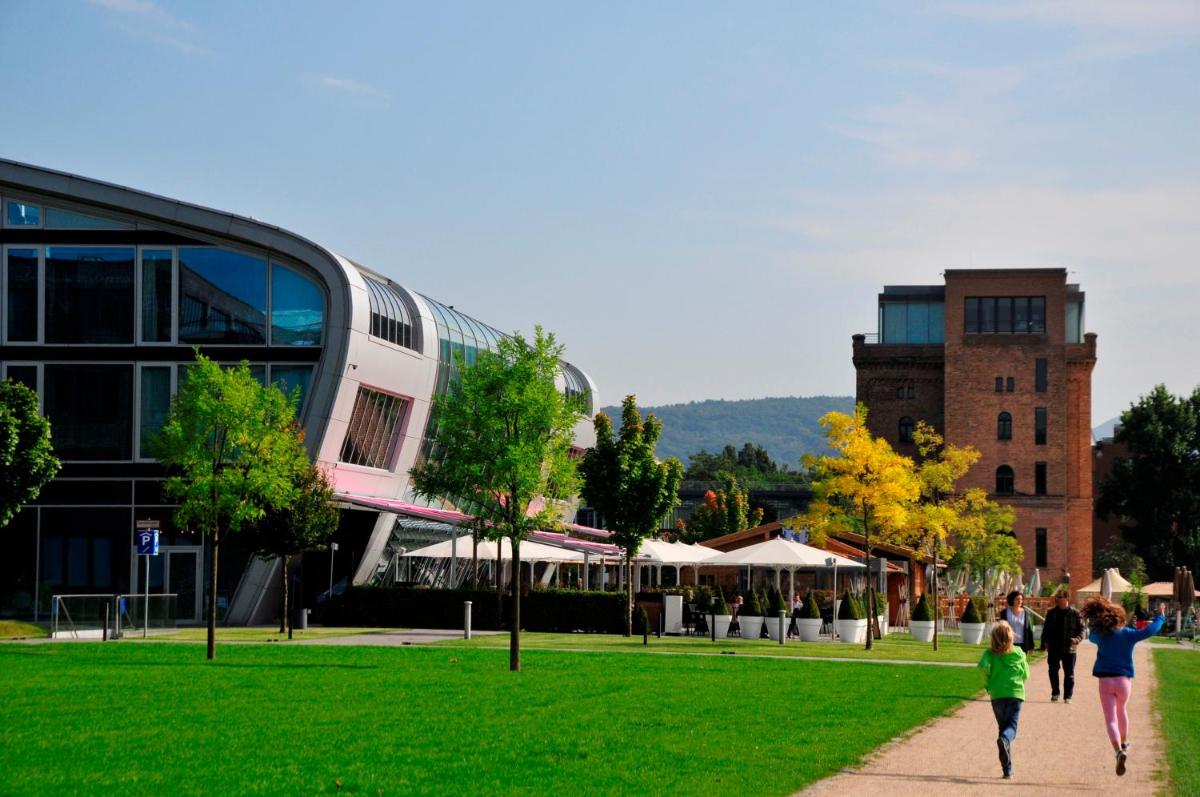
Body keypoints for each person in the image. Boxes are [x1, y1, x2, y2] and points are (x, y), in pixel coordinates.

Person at [1081, 596, 1165, 777]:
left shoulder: (1100, 635)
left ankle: (1118, 751)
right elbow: (1150, 630)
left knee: (1110, 718)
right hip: (1123, 681)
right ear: (1120, 617)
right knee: (1122, 710)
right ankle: (1125, 742)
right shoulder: (1128, 634)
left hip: (1105, 680)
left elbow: (1092, 633)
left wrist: (1096, 619)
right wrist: (1161, 616)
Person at [979, 620, 1030, 780]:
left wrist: (988, 683)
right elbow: (1026, 674)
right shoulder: (1019, 652)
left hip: (997, 694)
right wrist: (1019, 680)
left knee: (1003, 728)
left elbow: (982, 667)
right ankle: (1005, 747)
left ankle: (1007, 769)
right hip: (1015, 694)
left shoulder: (989, 654)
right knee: (1010, 729)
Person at [1040, 587, 1085, 703]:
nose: (1057, 599)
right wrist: (1043, 643)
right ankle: (1055, 693)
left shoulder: (1075, 613)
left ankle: (1067, 696)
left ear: (1067, 598)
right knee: (1053, 671)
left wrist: (1077, 639)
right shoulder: (1051, 613)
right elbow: (1045, 630)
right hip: (1054, 647)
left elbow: (1082, 630)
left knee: (1069, 673)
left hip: (1069, 648)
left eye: (1060, 597)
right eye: (1057, 597)